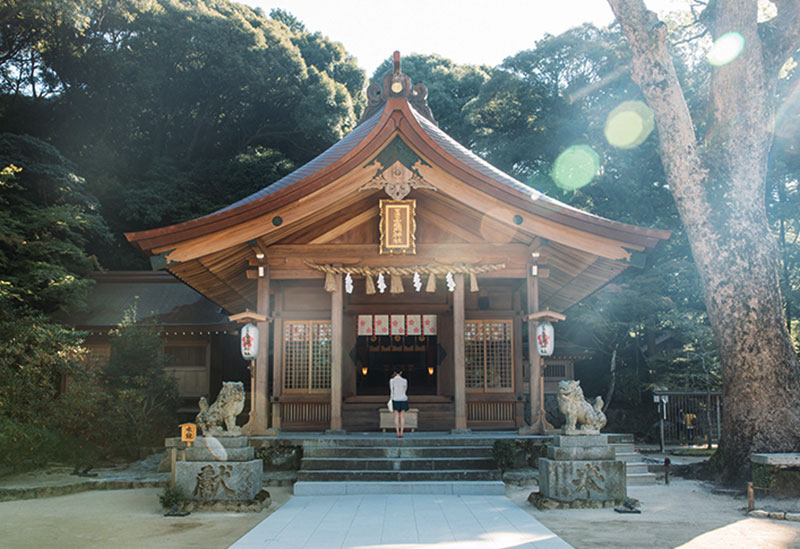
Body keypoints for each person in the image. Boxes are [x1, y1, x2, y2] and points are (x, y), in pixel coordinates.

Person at [390, 367, 409, 438]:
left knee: (396, 416)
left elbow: (391, 391)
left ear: (395, 372)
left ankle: (397, 432)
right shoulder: (404, 380)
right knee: (402, 417)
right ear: (401, 372)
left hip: (395, 399)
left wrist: (391, 399)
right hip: (403, 399)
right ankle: (402, 432)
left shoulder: (392, 380)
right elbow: (405, 390)